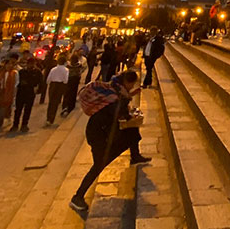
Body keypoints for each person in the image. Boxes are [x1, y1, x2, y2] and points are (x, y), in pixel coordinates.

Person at [69, 71, 150, 212]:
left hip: (103, 131)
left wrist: (127, 100)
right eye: (131, 84)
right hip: (99, 135)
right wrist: (127, 105)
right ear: (128, 82)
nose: (131, 87)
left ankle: (135, 156)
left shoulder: (114, 88)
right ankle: (77, 197)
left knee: (132, 132)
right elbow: (120, 113)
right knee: (98, 165)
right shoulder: (115, 97)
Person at [10, 57, 41, 133]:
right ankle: (15, 125)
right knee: (18, 110)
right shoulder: (22, 72)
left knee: (27, 110)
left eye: (33, 64)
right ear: (27, 64)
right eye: (30, 64)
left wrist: (37, 90)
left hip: (30, 94)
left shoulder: (37, 72)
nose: (31, 65)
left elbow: (41, 83)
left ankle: (24, 125)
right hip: (21, 93)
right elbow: (17, 83)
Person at [44, 57, 69, 126]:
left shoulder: (53, 69)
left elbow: (48, 80)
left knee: (51, 102)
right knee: (56, 103)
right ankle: (51, 119)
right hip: (60, 86)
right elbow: (66, 80)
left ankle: (48, 118)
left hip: (52, 85)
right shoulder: (66, 70)